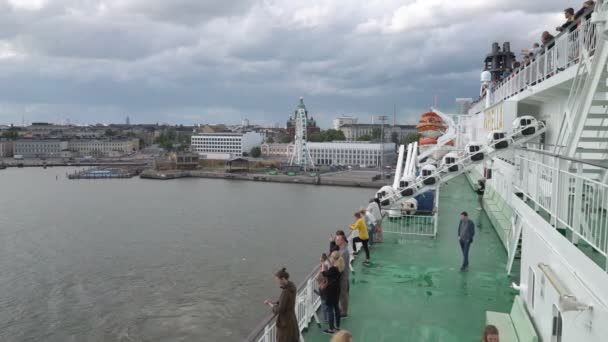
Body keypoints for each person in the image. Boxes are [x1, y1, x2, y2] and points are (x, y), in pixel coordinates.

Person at [264, 268, 299, 342]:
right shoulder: (292, 286)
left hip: (285, 323)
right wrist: (275, 302)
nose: (278, 282)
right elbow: (286, 301)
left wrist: (273, 306)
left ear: (283, 279)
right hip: (292, 320)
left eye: (278, 280)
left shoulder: (285, 292)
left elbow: (280, 309)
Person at [321, 251, 343, 335]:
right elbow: (332, 268)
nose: (330, 259)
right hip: (337, 290)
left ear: (334, 259)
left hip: (331, 292)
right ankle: (337, 326)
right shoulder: (339, 266)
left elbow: (324, 273)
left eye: (331, 258)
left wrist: (323, 263)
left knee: (330, 309)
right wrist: (328, 260)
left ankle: (331, 329)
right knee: (336, 308)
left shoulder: (333, 269)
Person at [335, 234, 350, 318]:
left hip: (343, 278)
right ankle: (342, 309)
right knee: (342, 295)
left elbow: (341, 267)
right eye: (336, 239)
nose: (336, 241)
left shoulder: (344, 252)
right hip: (343, 277)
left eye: (338, 240)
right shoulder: (341, 249)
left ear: (342, 241)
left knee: (343, 295)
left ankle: (344, 312)